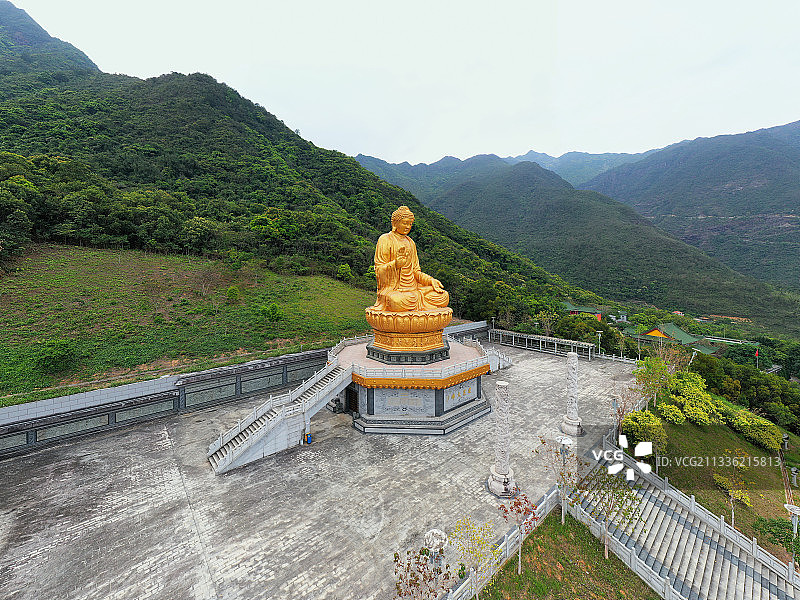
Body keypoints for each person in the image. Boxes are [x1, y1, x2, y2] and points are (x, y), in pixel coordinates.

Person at [372, 206, 449, 312]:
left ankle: (420, 304)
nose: (408, 227)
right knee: (396, 301)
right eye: (405, 223)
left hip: (414, 288)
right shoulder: (385, 239)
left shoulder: (410, 242)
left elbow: (416, 272)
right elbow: (379, 270)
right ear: (395, 223)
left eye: (410, 224)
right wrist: (395, 264)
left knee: (443, 296)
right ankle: (421, 306)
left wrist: (430, 281)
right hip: (395, 291)